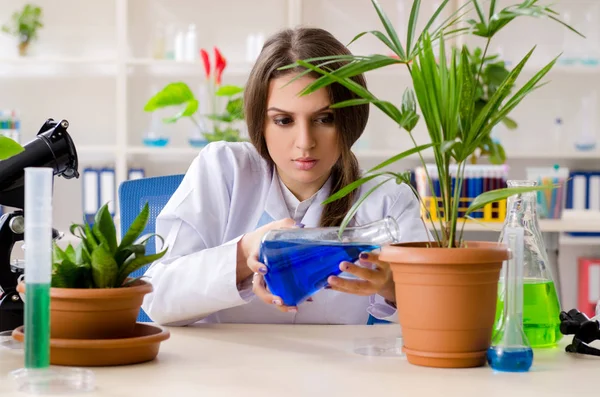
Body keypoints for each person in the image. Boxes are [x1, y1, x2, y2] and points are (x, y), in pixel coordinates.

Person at [141, 27, 429, 327]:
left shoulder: (386, 198)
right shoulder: (225, 169)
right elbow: (157, 299)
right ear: (260, 123)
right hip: (228, 370)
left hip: (336, 372)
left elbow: (438, 313)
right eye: (284, 120)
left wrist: (391, 285)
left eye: (324, 119)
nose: (305, 142)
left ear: (349, 120)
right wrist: (243, 255)